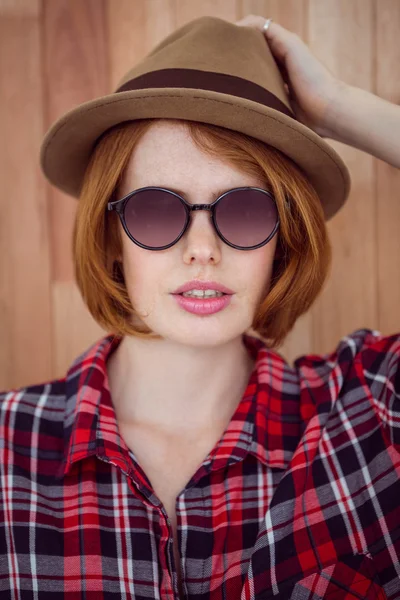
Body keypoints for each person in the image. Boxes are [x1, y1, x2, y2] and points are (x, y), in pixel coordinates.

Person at [0, 13, 399, 600]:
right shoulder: (8, 449)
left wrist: (338, 108)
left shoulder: (370, 413)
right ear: (112, 236)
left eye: (244, 211)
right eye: (158, 211)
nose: (203, 251)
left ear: (282, 236)